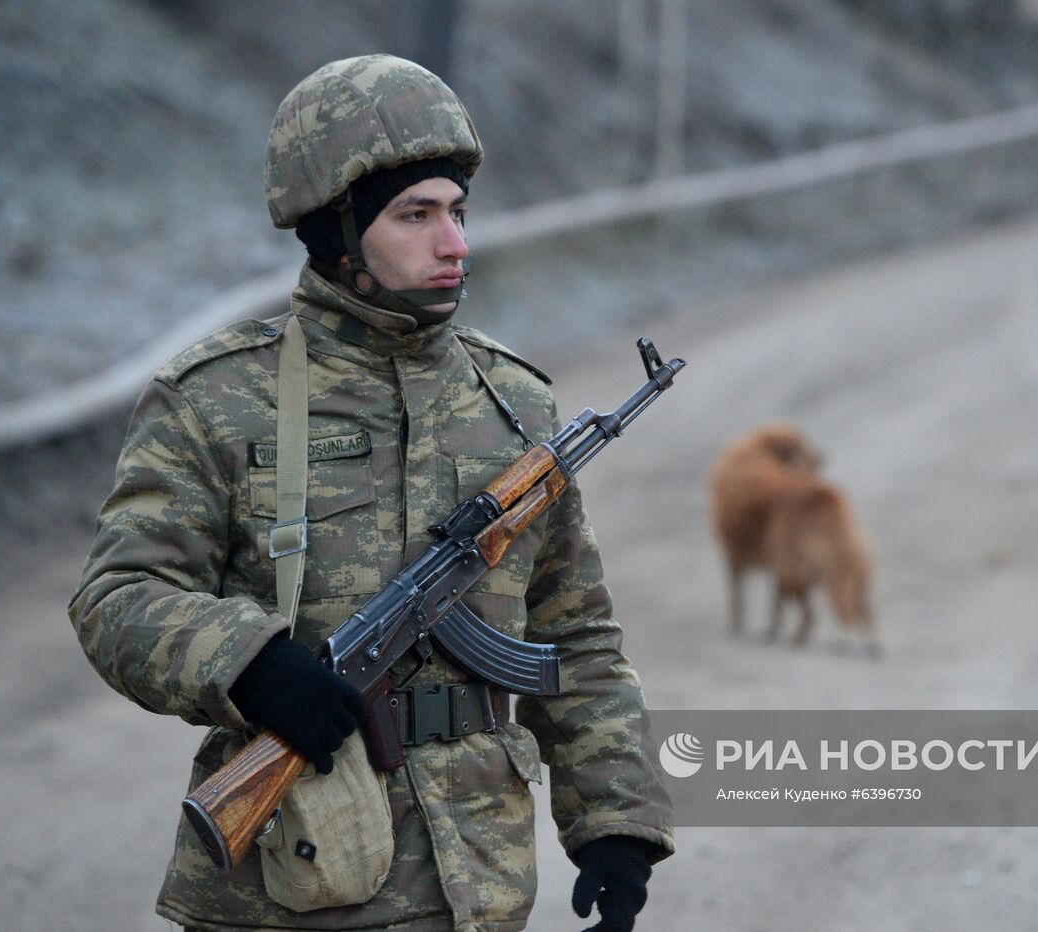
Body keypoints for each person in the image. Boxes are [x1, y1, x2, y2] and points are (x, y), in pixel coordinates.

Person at [68, 54, 674, 932]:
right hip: (302, 868)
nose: (455, 243)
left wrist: (615, 822)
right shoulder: (217, 396)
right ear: (336, 231)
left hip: (480, 876)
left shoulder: (513, 402)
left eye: (458, 212)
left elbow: (571, 632)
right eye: (416, 215)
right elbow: (116, 598)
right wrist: (251, 665)